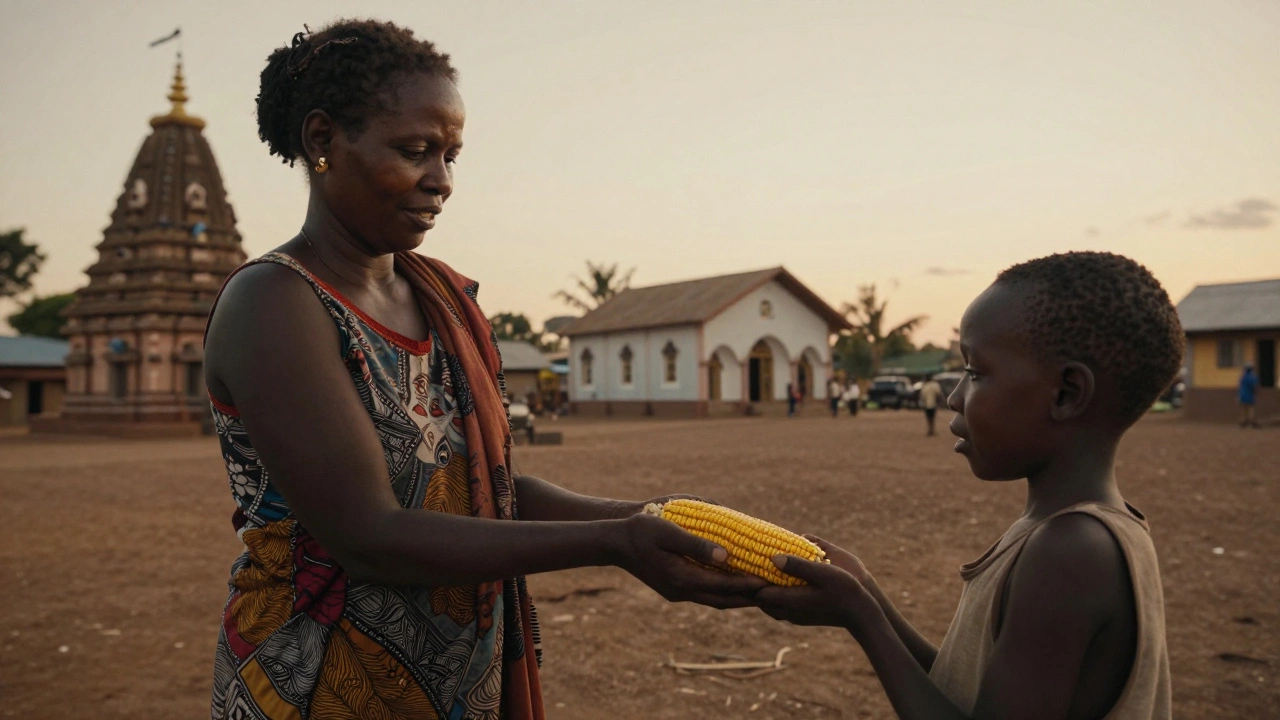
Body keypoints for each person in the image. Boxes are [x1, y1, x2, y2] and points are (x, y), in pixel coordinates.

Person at [203, 20, 761, 720]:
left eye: (451, 155)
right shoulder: (276, 304)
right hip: (319, 680)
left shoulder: (441, 298)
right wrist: (614, 543)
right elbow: (368, 534)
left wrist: (653, 517)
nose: (441, 181)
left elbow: (483, 489)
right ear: (322, 142)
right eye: (414, 152)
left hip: (456, 677)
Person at [757, 252, 1181, 719]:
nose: (955, 396)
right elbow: (964, 694)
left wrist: (861, 617)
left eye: (976, 373)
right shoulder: (1072, 529)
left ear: (1066, 394)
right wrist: (868, 593)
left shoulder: (1073, 551)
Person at [1239, 362, 1259, 428]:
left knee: (1243, 409)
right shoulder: (1253, 377)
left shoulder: (1243, 377)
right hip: (1249, 394)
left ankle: (1243, 422)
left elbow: (1240, 385)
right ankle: (1253, 422)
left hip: (1242, 394)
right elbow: (1254, 386)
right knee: (1251, 409)